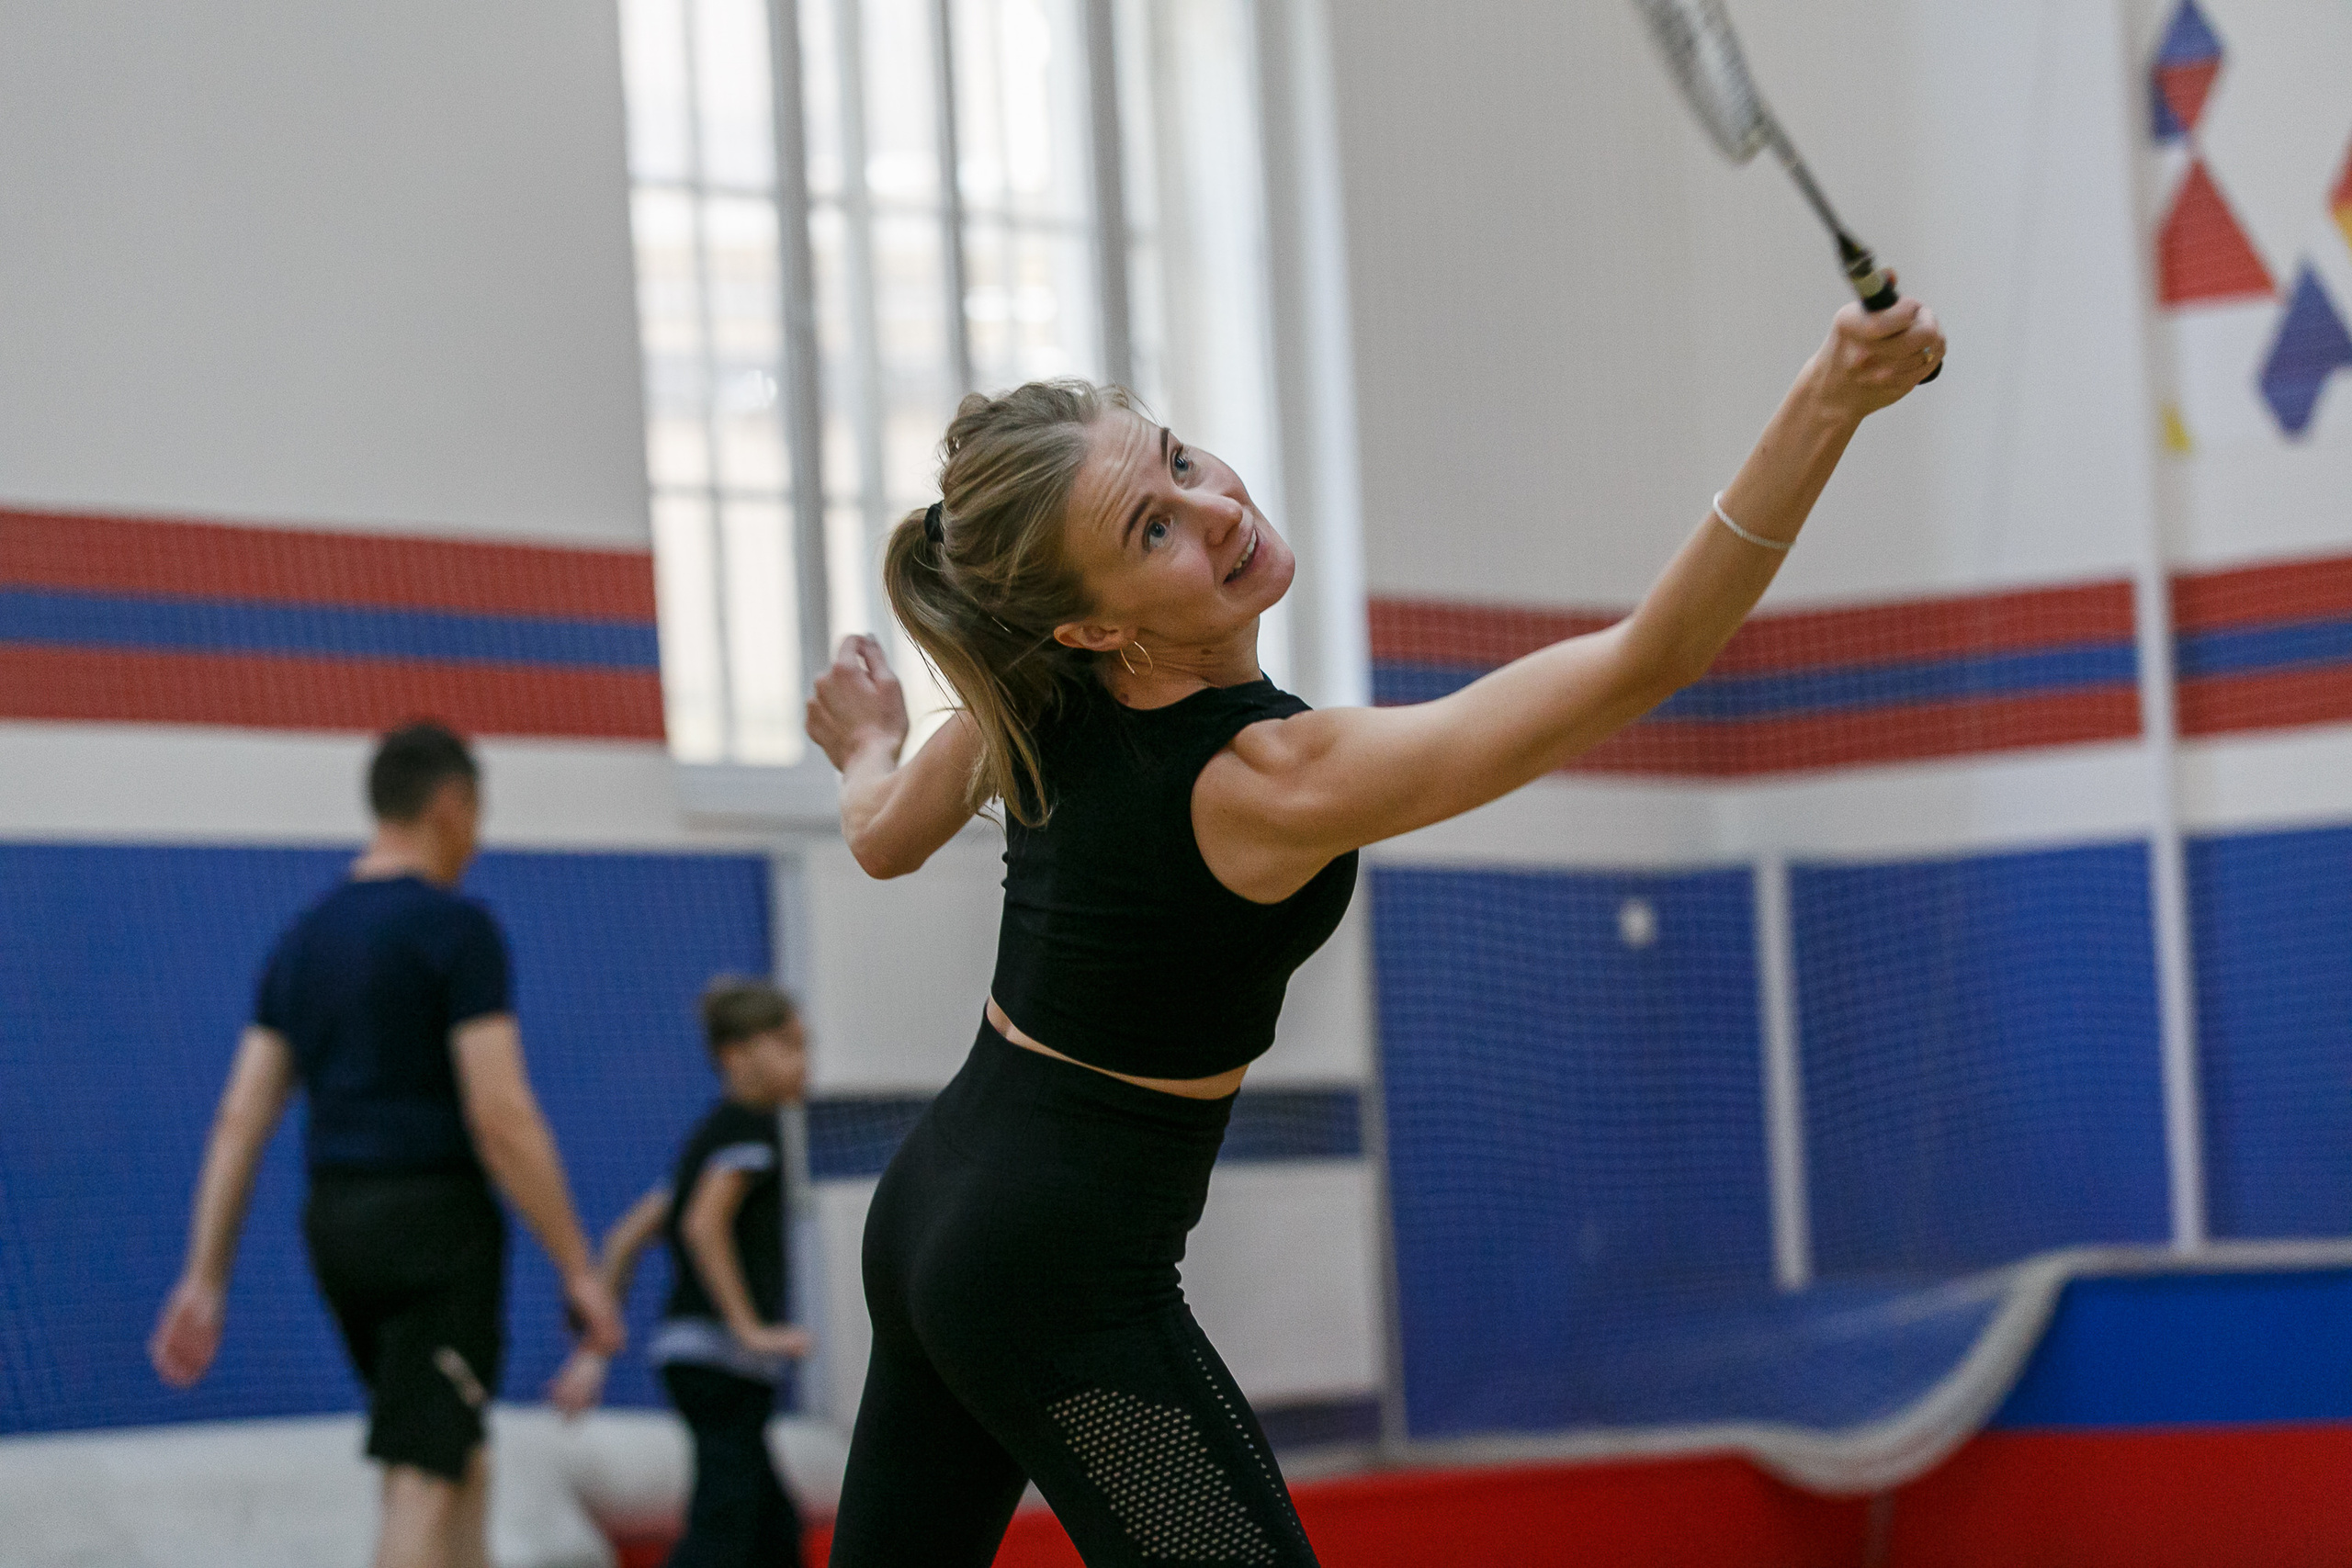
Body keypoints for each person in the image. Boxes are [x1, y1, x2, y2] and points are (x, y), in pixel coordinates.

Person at [803, 296, 1944, 1565]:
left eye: (1179, 460)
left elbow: (879, 836)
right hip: (1048, 1281)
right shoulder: (1269, 777)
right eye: (1156, 526)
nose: (1217, 508)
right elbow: (1647, 659)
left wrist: (867, 745)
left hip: (932, 1212)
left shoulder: (1036, 693)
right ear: (1096, 622)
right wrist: (1828, 400)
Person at [150, 721, 626, 1568]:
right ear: (451, 805)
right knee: (422, 1471)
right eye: (477, 816)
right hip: (434, 1227)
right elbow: (501, 1116)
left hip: (337, 1226)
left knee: (449, 1444)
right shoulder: (456, 929)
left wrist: (205, 1275)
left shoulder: (302, 940)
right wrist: (578, 1267)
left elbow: (240, 1117)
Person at [548, 976, 816, 1568]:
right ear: (735, 1055)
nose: (805, 1063)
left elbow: (625, 1237)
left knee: (771, 1523)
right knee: (727, 1520)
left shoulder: (709, 1136)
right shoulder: (750, 1128)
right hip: (719, 1357)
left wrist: (593, 1352)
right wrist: (749, 1329)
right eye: (789, 1046)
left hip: (692, 1355)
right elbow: (702, 1225)